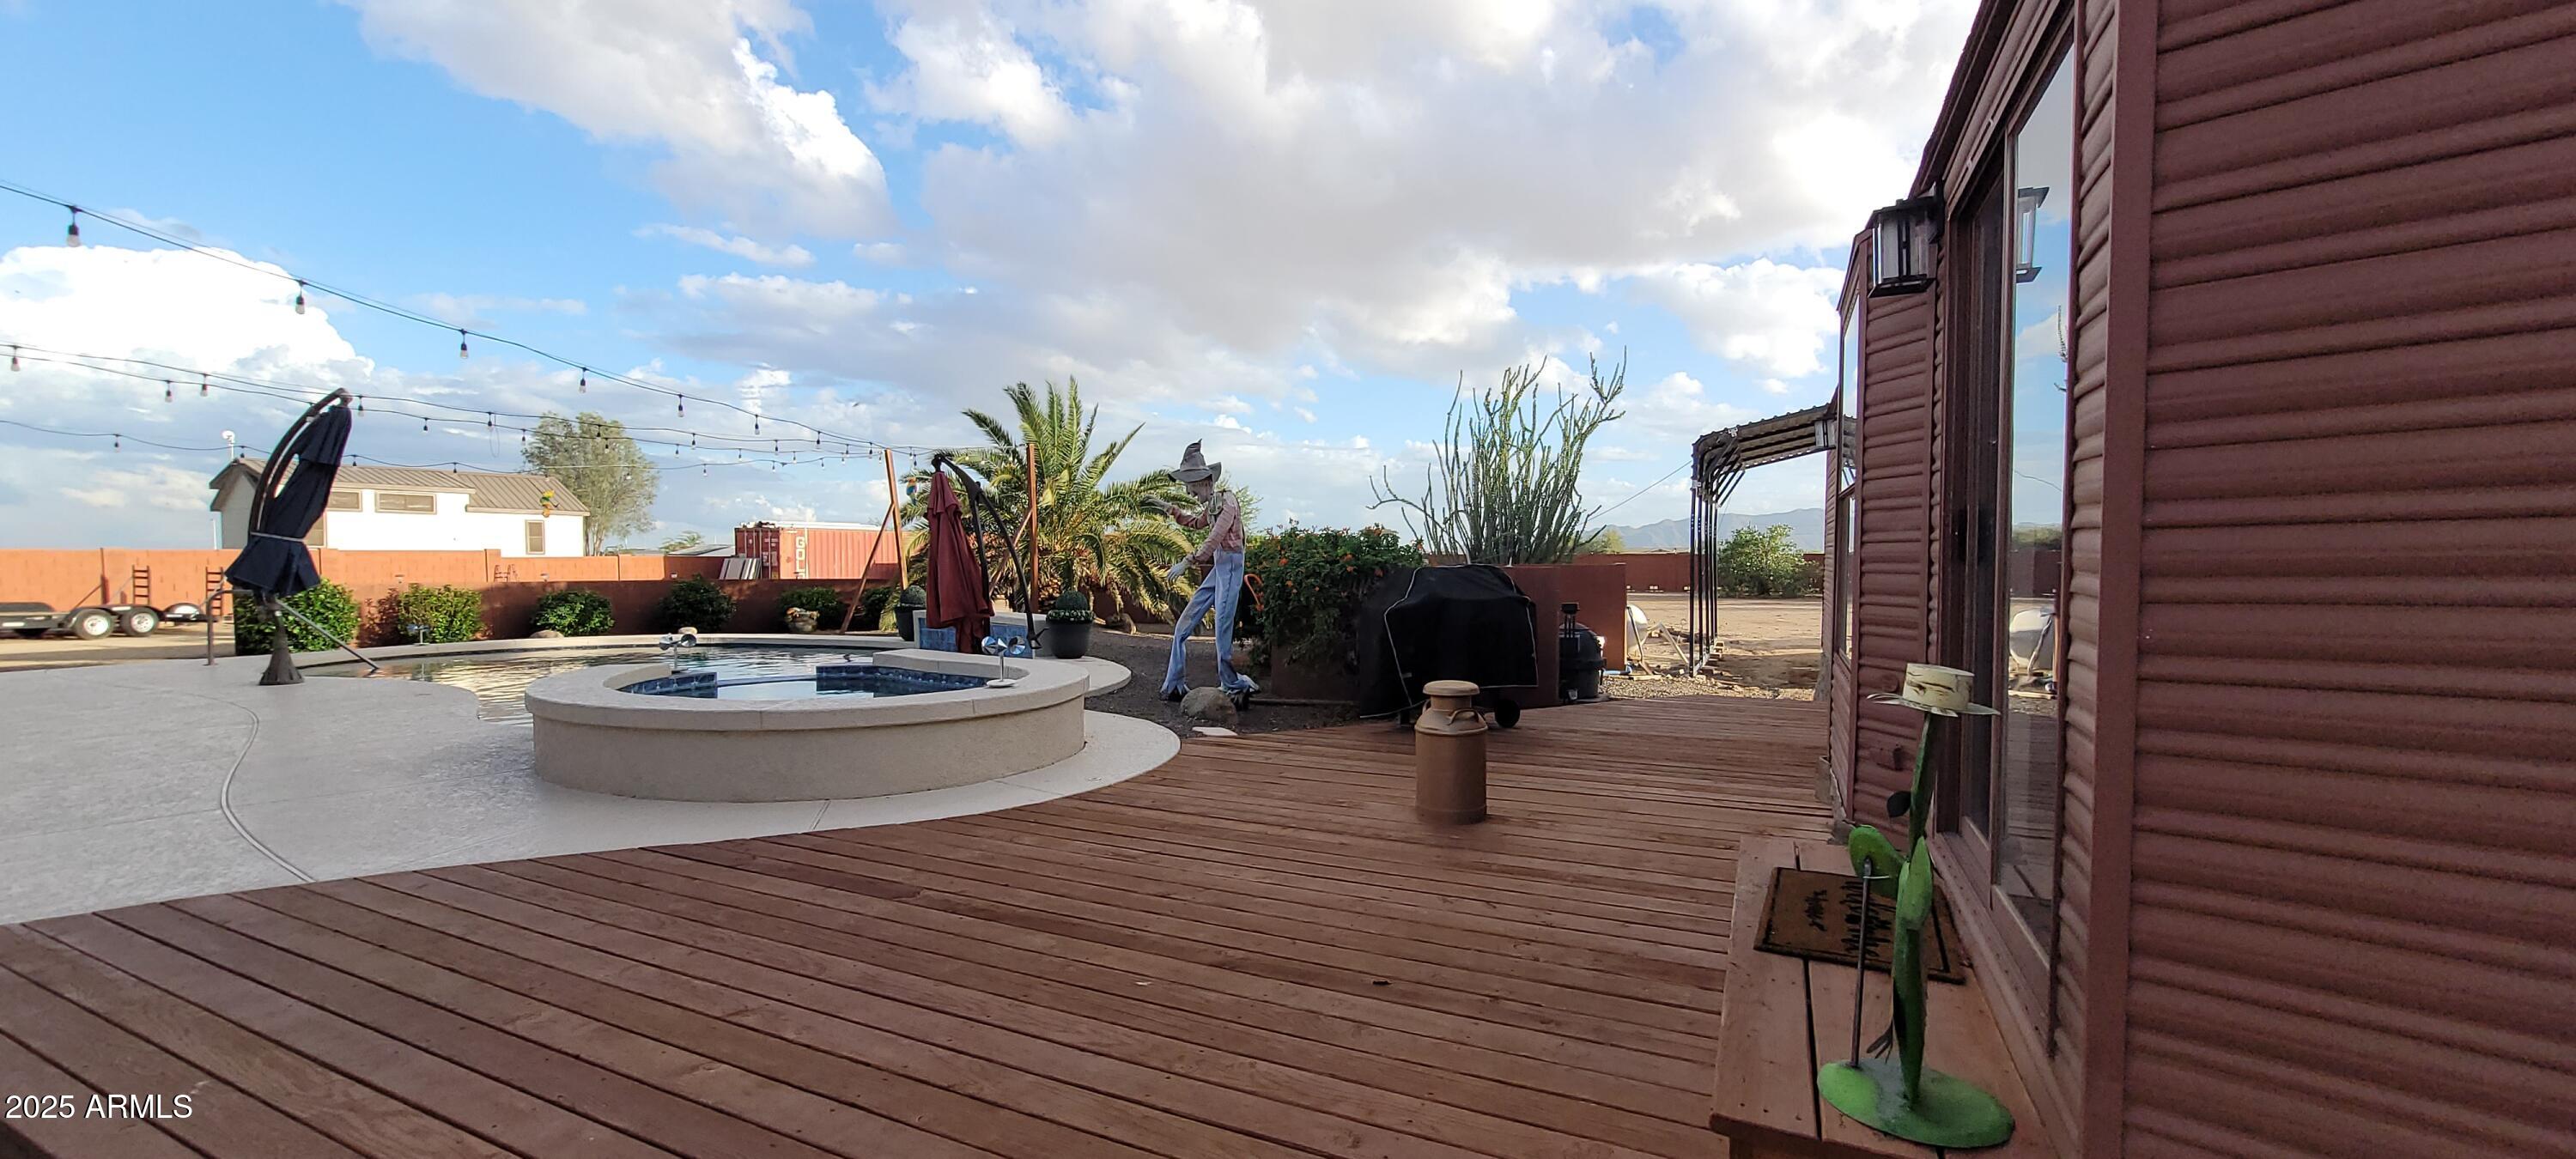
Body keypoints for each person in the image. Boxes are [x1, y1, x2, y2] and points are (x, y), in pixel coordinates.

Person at [1154, 441, 1255, 701]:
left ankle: (1232, 685)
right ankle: (1174, 682)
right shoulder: (1212, 505)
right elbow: (1196, 523)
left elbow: (1213, 539)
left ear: (1202, 482)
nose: (1189, 493)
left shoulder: (1228, 503)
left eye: (1190, 487)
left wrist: (1187, 562)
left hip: (1231, 566)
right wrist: (1167, 507)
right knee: (1184, 624)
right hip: (1220, 568)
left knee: (1222, 628)